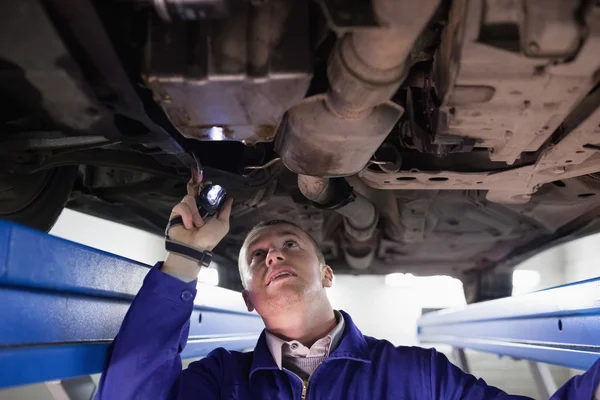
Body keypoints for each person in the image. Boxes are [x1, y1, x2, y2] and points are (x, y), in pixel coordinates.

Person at [96, 171, 600, 400]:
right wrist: (184, 257)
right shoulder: (221, 381)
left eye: (290, 244)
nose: (272, 253)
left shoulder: (417, 376)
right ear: (247, 298)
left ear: (327, 273)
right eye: (256, 256)